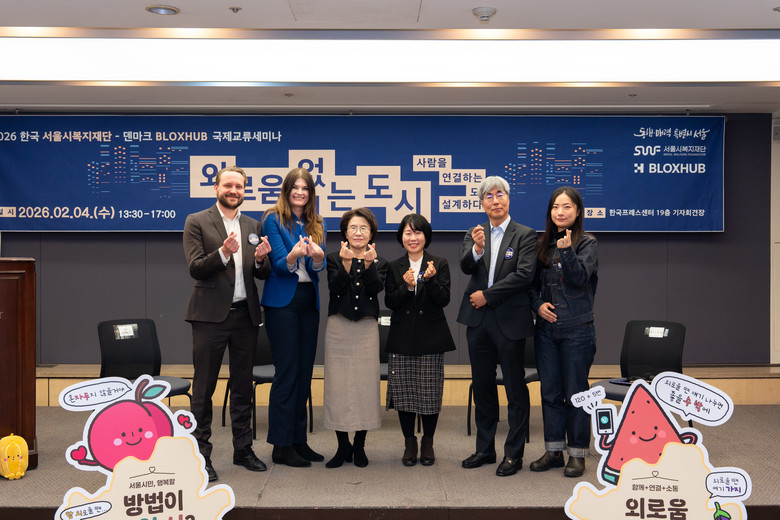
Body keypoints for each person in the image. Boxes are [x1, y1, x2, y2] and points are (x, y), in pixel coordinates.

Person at [183, 165, 272, 482]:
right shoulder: (196, 221)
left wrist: (260, 260)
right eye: (228, 185)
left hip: (245, 316)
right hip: (209, 317)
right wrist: (222, 252)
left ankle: (243, 449)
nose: (234, 191)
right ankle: (200, 455)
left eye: (240, 186)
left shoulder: (253, 225)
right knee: (204, 387)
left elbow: (262, 273)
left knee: (242, 385)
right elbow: (195, 267)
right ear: (216, 188)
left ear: (245, 191)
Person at [457, 175, 537, 477]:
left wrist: (487, 296)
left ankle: (513, 454)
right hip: (478, 320)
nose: (495, 200)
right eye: (488, 196)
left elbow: (524, 275)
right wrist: (477, 249)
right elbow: (466, 266)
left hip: (509, 319)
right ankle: (485, 449)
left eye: (500, 194)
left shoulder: (525, 235)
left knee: (515, 388)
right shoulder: (475, 233)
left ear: (508, 198)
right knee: (483, 386)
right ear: (482, 203)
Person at [529, 186, 598, 478]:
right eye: (556, 207)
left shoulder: (587, 243)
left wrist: (567, 251)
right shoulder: (541, 244)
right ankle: (554, 451)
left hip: (577, 330)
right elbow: (530, 286)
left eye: (567, 206)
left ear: (578, 211)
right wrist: (538, 305)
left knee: (576, 394)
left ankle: (578, 454)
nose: (561, 212)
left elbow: (579, 280)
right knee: (550, 393)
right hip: (546, 331)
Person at [261, 167, 326, 467]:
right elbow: (277, 264)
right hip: (281, 303)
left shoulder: (316, 223)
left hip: (308, 301)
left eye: (305, 188)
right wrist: (293, 255)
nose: (300, 193)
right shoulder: (273, 219)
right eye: (295, 188)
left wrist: (317, 259)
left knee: (304, 372)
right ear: (286, 191)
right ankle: (281, 445)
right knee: (287, 372)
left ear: (311, 194)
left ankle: (299, 440)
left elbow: (316, 269)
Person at [384, 214, 456, 467]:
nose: (412, 238)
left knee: (429, 392)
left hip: (431, 337)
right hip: (401, 337)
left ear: (426, 236)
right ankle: (409, 442)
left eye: (417, 232)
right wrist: (406, 287)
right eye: (408, 233)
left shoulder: (439, 263)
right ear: (401, 237)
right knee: (404, 392)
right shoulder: (394, 266)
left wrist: (431, 280)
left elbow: (444, 299)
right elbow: (390, 302)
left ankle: (427, 442)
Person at [323, 208, 388, 468]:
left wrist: (369, 266)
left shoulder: (380, 261)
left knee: (365, 386)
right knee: (337, 387)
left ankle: (359, 445)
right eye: (353, 228)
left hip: (366, 329)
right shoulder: (333, 258)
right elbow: (335, 288)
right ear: (345, 233)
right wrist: (347, 265)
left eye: (363, 228)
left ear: (371, 234)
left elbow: (376, 288)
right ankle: (342, 447)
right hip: (338, 327)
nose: (358, 233)